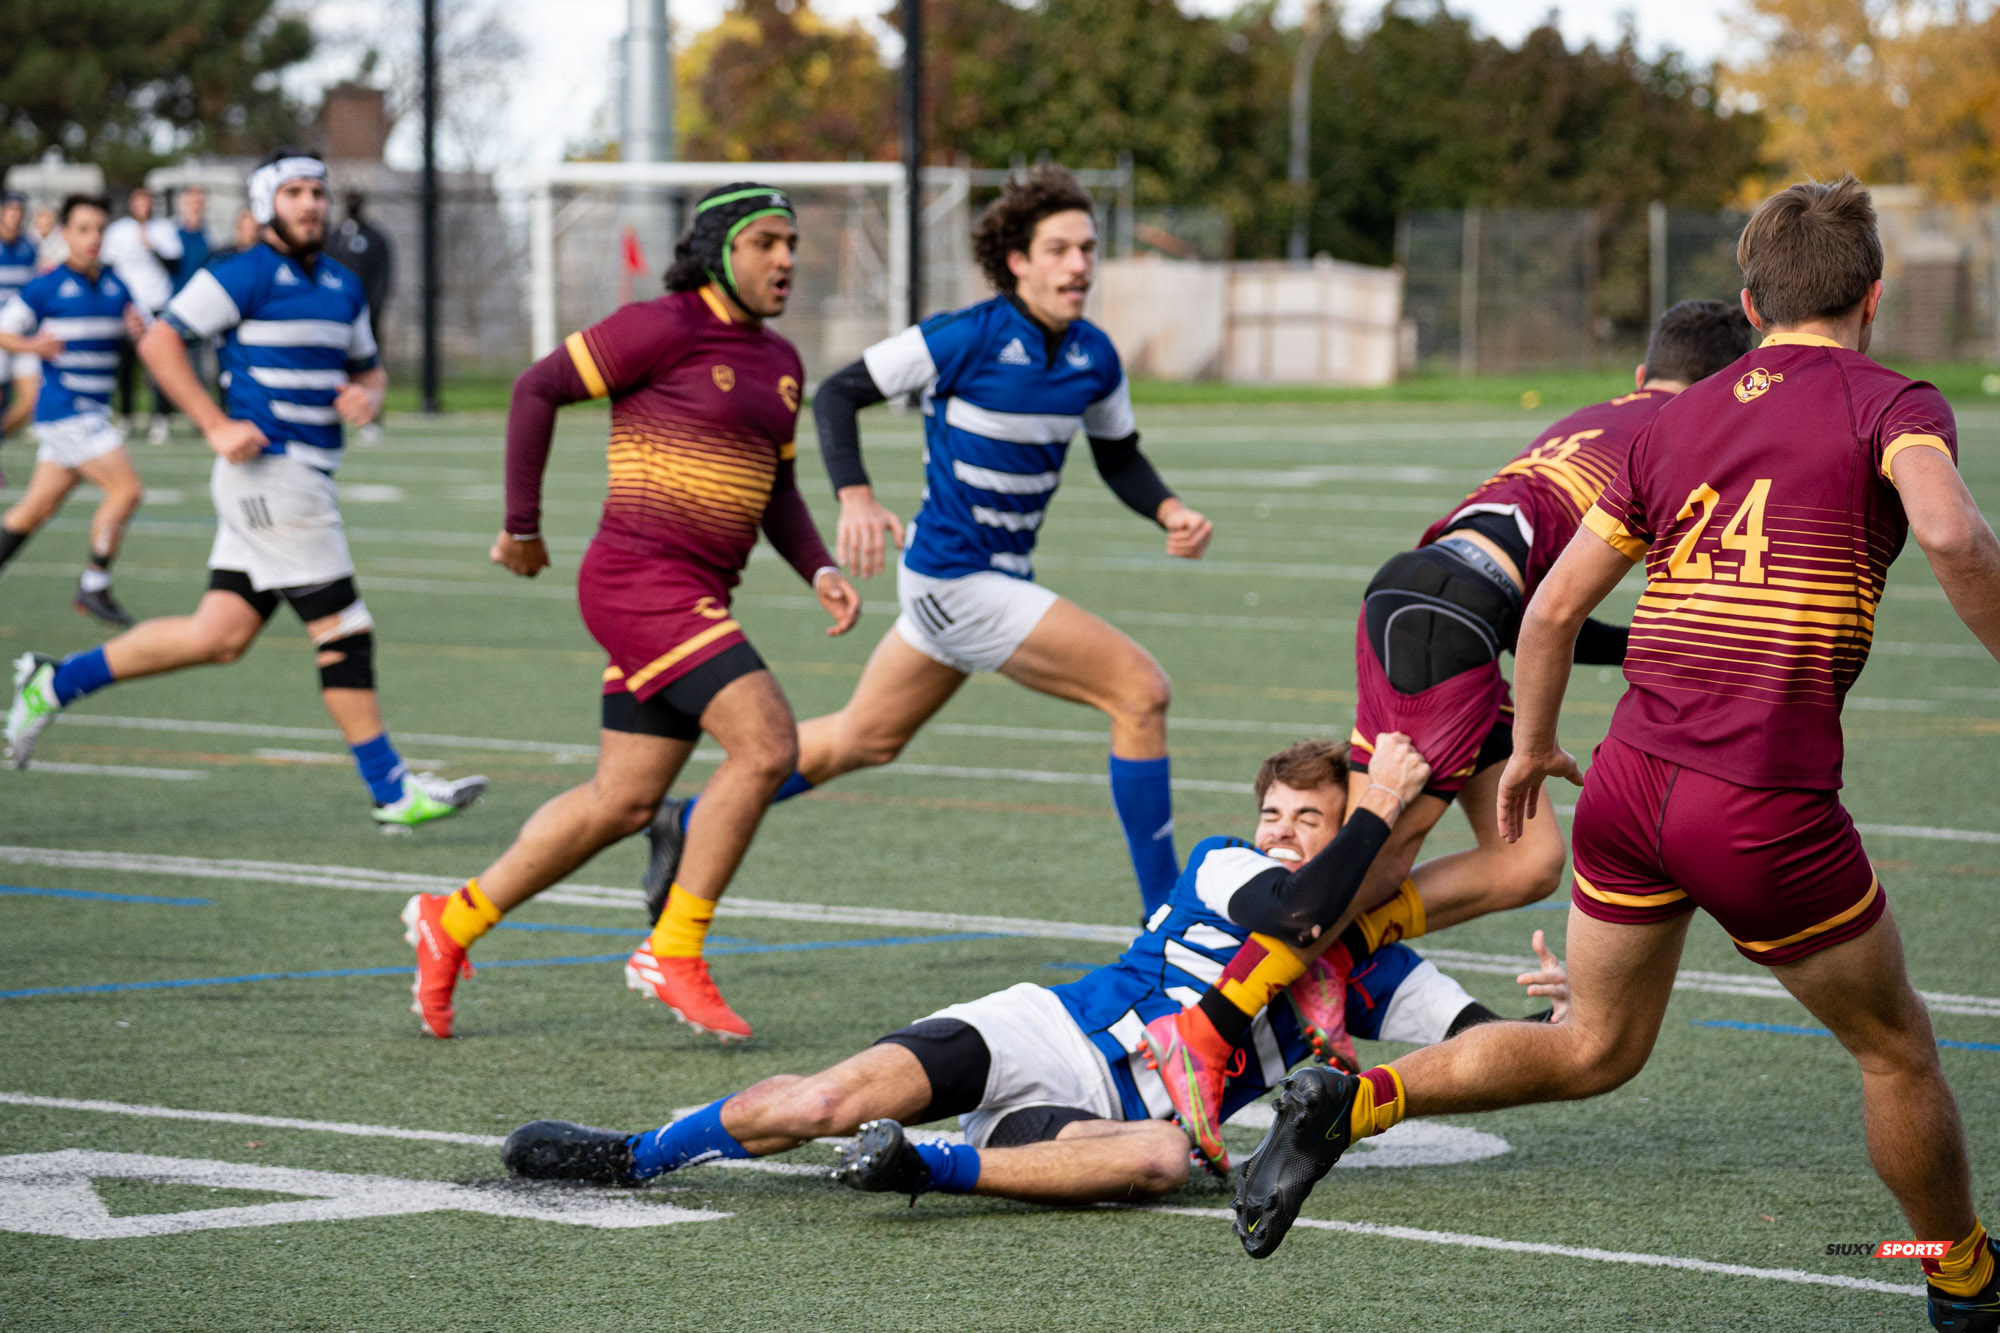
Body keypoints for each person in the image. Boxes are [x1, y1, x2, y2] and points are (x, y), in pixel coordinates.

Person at [1231, 179, 2000, 1333]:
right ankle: (1962, 1280)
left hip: (1631, 786)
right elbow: (1945, 529)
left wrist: (1533, 745)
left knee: (1592, 1044)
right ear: (1872, 296)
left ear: (1749, 301)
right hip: (1761, 799)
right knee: (1893, 1050)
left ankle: (1352, 1099)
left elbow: (1545, 615)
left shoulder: (1669, 420)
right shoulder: (1890, 400)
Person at [1140, 300, 1758, 1164]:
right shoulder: (1695, 426)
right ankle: (1207, 1029)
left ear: (1641, 375)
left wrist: (1654, 643)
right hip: (1453, 624)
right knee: (1373, 861)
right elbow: (1563, 609)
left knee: (1529, 858)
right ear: (1731, 384)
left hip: (1426, 602)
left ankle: (1323, 972)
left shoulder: (1594, 417)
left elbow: (1547, 609)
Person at [501, 735, 1569, 1204]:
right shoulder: (1226, 864)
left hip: (1101, 1118)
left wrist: (1559, 1013)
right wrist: (1378, 806)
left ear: (1345, 837)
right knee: (825, 1096)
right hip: (1043, 1030)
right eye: (1274, 815)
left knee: (1156, 1162)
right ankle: (638, 1155)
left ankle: (921, 1170)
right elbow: (1294, 910)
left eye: (1311, 822)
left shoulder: (1374, 968)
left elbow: (1477, 1051)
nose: (1284, 833)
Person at [638, 165, 1213, 925]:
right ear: (1018, 260)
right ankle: (1165, 920)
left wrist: (1168, 507)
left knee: (864, 737)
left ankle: (689, 815)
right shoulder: (965, 337)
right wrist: (856, 495)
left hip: (990, 577)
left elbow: (1118, 454)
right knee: (1140, 691)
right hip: (955, 580)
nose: (1079, 265)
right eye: (1060, 249)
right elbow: (840, 391)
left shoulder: (1093, 356)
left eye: (1087, 249)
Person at [397, 182, 861, 1044]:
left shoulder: (783, 363)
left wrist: (819, 567)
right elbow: (536, 388)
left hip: (693, 596)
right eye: (766, 242)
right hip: (639, 582)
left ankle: (450, 919)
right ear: (722, 249)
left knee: (621, 800)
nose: (787, 258)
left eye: (792, 242)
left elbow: (779, 490)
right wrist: (521, 527)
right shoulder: (664, 326)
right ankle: (672, 949)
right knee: (766, 744)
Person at [4, 150, 486, 833]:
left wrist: (365, 397)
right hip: (273, 476)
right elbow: (161, 342)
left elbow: (369, 372)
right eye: (293, 192)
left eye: (316, 191)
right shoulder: (244, 273)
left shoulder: (344, 287)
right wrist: (214, 424)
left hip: (304, 474)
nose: (310, 203)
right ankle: (391, 789)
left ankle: (53, 682)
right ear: (266, 207)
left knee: (217, 635)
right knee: (344, 628)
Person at [0, 195, 149, 624]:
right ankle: (94, 585)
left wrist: (140, 332)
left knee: (35, 509)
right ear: (65, 234)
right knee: (127, 490)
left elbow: (144, 334)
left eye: (99, 230)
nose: (92, 239)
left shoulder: (117, 286)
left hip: (92, 413)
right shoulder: (46, 287)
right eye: (83, 229)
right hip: (66, 412)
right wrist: (34, 346)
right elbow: (6, 331)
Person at [100, 186, 181, 445]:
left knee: (159, 364)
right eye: (138, 202)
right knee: (124, 366)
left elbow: (175, 265)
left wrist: (153, 246)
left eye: (147, 202)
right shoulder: (118, 231)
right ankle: (124, 417)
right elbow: (108, 266)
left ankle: (161, 420)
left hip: (157, 303)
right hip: (128, 306)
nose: (143, 207)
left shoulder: (164, 229)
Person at [331, 190, 392, 446]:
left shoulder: (376, 238)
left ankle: (371, 421)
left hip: (367, 317)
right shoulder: (334, 238)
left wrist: (374, 309)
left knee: (369, 369)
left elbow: (383, 275)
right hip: (336, 319)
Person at [1, 192, 41, 445]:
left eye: (19, 212)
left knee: (31, 401)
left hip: (24, 334)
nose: (15, 217)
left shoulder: (31, 248)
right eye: (10, 211)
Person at [168, 187, 214, 403]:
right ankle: (167, 410)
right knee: (172, 358)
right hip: (177, 303)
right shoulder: (173, 234)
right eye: (192, 201)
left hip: (204, 305)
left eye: (200, 201)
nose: (196, 205)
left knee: (200, 363)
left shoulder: (208, 234)